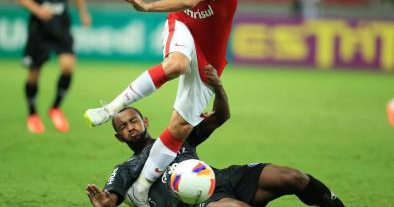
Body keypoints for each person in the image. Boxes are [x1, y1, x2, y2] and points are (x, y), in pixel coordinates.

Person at [84, 0, 237, 205]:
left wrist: (148, 6)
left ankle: (140, 188)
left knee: (180, 127)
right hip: (183, 25)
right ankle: (110, 108)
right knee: (177, 64)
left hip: (210, 54)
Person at [86, 66, 345, 207]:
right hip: (195, 200)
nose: (130, 127)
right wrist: (104, 201)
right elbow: (111, 197)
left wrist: (219, 89)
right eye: (123, 126)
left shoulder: (177, 136)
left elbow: (221, 117)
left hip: (220, 178)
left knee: (293, 177)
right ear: (119, 137)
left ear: (145, 121)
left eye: (133, 120)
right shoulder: (127, 168)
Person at [16, 0, 91, 134]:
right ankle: (32, 113)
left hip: (61, 25)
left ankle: (55, 108)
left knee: (68, 67)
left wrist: (83, 12)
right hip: (39, 28)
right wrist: (38, 10)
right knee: (34, 73)